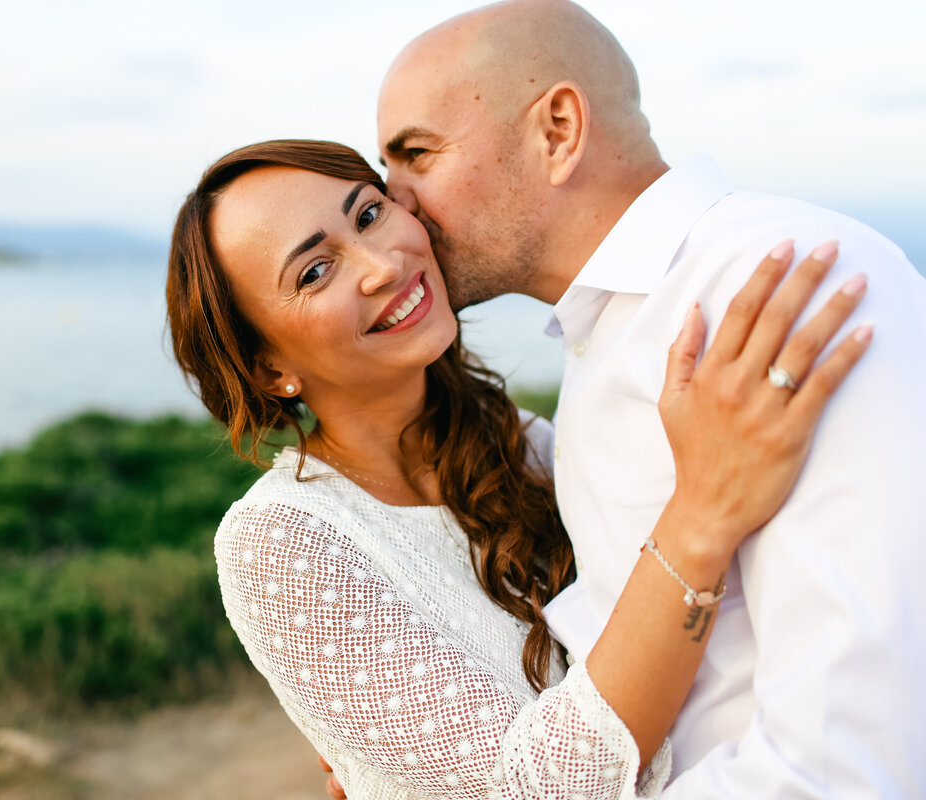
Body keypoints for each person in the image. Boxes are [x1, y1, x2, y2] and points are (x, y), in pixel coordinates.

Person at [166, 139, 870, 799]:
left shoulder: (521, 440)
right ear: (268, 368)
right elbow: (532, 788)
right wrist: (700, 518)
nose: (382, 264)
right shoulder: (283, 544)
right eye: (316, 271)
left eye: (371, 213)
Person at [375, 1, 926, 796]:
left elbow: (851, 759)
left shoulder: (774, 290)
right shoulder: (614, 330)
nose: (396, 205)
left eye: (416, 155)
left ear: (558, 130)